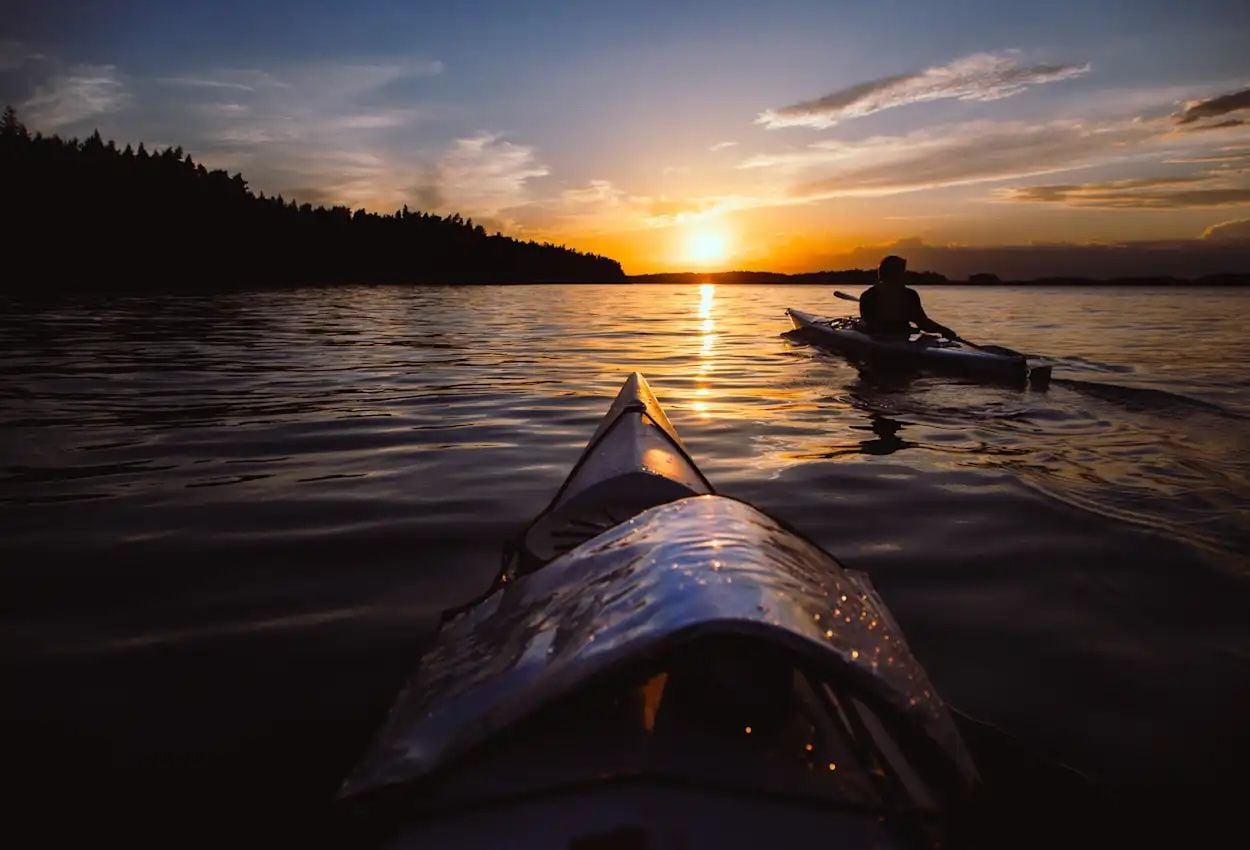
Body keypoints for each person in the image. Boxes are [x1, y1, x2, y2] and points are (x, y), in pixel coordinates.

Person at [858, 255, 957, 338]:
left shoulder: (909, 295)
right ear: (892, 273)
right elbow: (870, 324)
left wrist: (944, 330)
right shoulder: (869, 296)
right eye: (901, 272)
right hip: (882, 338)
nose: (904, 275)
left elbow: (923, 323)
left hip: (900, 337)